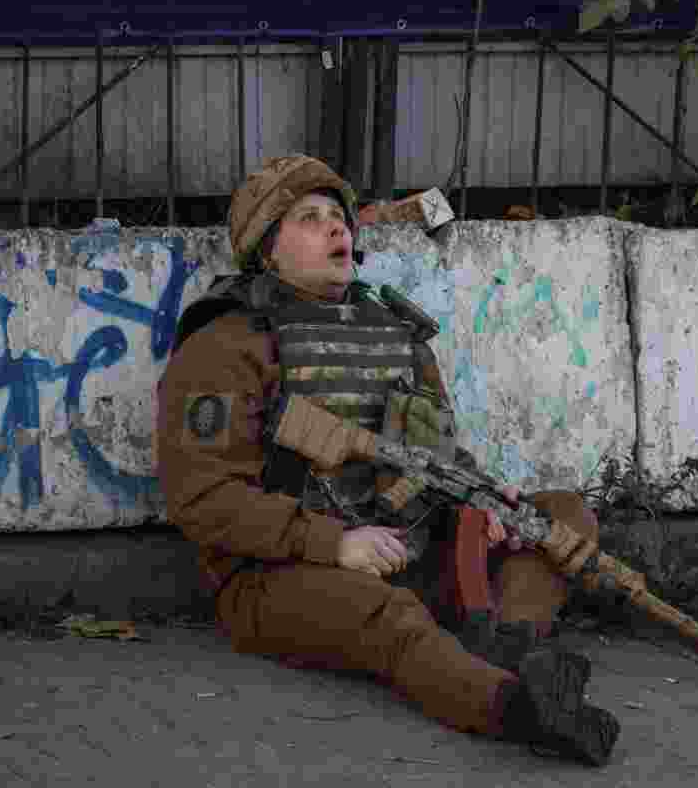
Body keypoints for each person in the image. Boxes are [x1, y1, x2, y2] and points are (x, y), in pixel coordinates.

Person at [155, 154, 620, 766]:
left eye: (340, 218)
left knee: (559, 515)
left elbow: (437, 448)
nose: (336, 230)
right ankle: (514, 707)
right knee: (389, 616)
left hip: (410, 543)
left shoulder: (395, 331)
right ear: (267, 250)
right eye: (309, 219)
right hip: (278, 575)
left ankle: (508, 641)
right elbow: (203, 497)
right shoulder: (228, 344)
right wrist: (332, 543)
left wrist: (484, 498)